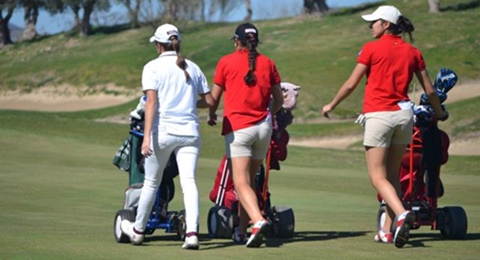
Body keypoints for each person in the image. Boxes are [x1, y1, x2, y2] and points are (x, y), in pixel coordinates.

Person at [321, 5, 448, 248]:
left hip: (379, 116)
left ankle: (401, 214)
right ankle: (387, 231)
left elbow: (350, 84)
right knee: (392, 176)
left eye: (374, 22)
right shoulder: (413, 51)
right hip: (403, 117)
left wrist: (331, 105)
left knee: (377, 176)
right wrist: (440, 112)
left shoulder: (371, 48)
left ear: (386, 24)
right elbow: (430, 90)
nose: (371, 26)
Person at [120, 23, 214, 250]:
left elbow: (151, 103)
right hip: (190, 133)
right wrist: (200, 108)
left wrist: (145, 139)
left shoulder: (152, 67)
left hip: (163, 133)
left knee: (151, 182)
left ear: (159, 46)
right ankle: (192, 234)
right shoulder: (192, 66)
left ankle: (138, 231)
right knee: (189, 183)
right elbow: (210, 101)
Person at [208, 22, 284, 248]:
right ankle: (241, 231)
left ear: (236, 41)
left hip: (239, 128)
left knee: (240, 182)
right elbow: (278, 100)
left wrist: (211, 115)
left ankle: (258, 221)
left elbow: (214, 97)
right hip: (263, 128)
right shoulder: (268, 63)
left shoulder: (226, 62)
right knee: (249, 182)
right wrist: (270, 113)